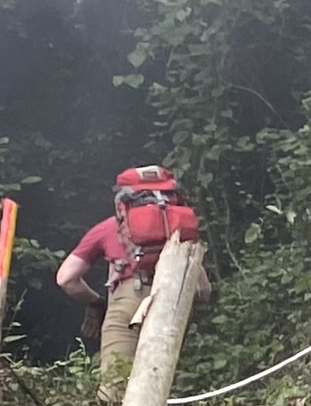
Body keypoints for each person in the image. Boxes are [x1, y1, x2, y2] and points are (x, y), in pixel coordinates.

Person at [55, 165, 209, 388]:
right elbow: (204, 291)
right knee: (165, 383)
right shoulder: (182, 231)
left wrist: (96, 302)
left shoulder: (109, 228)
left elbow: (66, 279)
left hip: (128, 302)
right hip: (174, 302)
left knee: (115, 384)